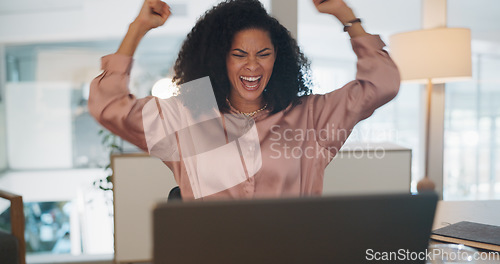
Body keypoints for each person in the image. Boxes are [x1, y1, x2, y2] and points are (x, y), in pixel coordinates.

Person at [88, 0, 400, 200]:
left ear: (278, 58)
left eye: (263, 54)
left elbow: (382, 83)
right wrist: (137, 28)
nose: (252, 66)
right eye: (239, 55)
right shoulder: (186, 114)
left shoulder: (312, 116)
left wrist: (345, 16)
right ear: (218, 59)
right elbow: (108, 105)